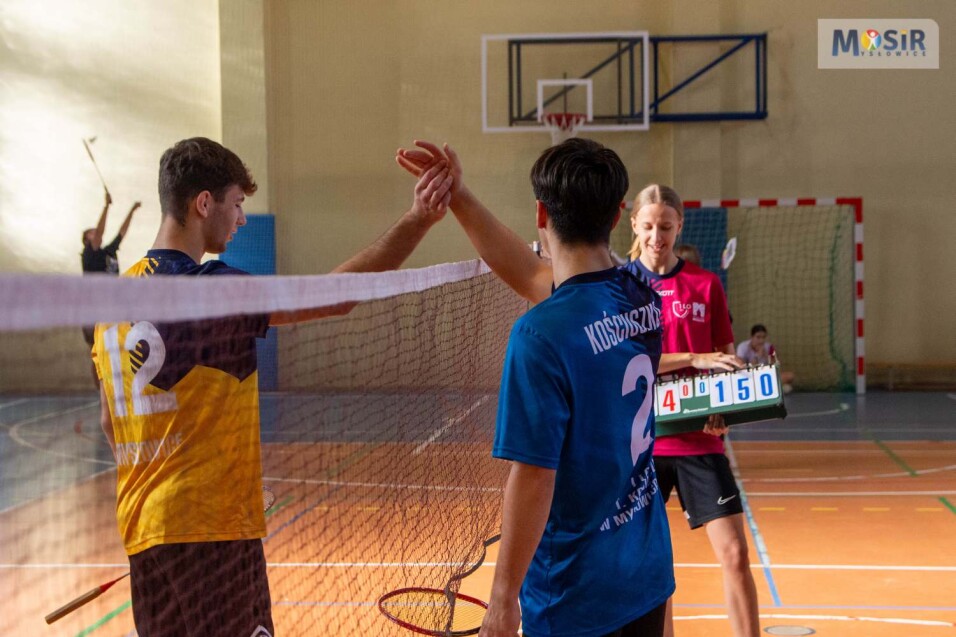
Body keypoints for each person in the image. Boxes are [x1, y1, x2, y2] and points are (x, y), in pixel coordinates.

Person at [92, 137, 453, 637]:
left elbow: (112, 424)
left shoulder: (108, 305)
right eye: (236, 204)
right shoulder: (210, 292)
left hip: (143, 531)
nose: (241, 219)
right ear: (203, 204)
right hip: (212, 536)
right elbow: (335, 297)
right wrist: (417, 220)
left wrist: (172, 500)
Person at [396, 144, 750, 637]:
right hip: (643, 569)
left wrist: (502, 599)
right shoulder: (641, 298)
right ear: (617, 215)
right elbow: (531, 272)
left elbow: (535, 477)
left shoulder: (541, 334)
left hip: (573, 593)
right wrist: (459, 196)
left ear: (541, 213)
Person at [625, 185, 759, 637]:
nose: (657, 236)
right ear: (635, 227)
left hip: (700, 440)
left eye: (665, 226)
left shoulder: (706, 285)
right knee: (650, 567)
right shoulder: (621, 287)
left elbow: (726, 356)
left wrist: (726, 401)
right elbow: (628, 362)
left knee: (736, 555)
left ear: (679, 225)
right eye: (648, 227)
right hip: (642, 443)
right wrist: (692, 358)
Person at [81, 194, 141, 359]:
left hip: (112, 308)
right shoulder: (88, 254)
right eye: (92, 233)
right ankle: (98, 386)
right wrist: (106, 206)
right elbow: (100, 233)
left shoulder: (109, 251)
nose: (96, 232)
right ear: (87, 240)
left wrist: (132, 210)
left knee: (113, 351)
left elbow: (122, 232)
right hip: (94, 311)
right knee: (97, 354)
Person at [737, 323, 795, 391]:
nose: (761, 341)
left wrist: (766, 356)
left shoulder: (769, 347)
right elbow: (741, 368)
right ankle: (775, 388)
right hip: (750, 377)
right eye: (758, 337)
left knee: (790, 376)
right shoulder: (742, 347)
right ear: (751, 337)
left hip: (765, 377)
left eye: (763, 337)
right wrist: (757, 356)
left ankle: (765, 388)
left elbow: (776, 367)